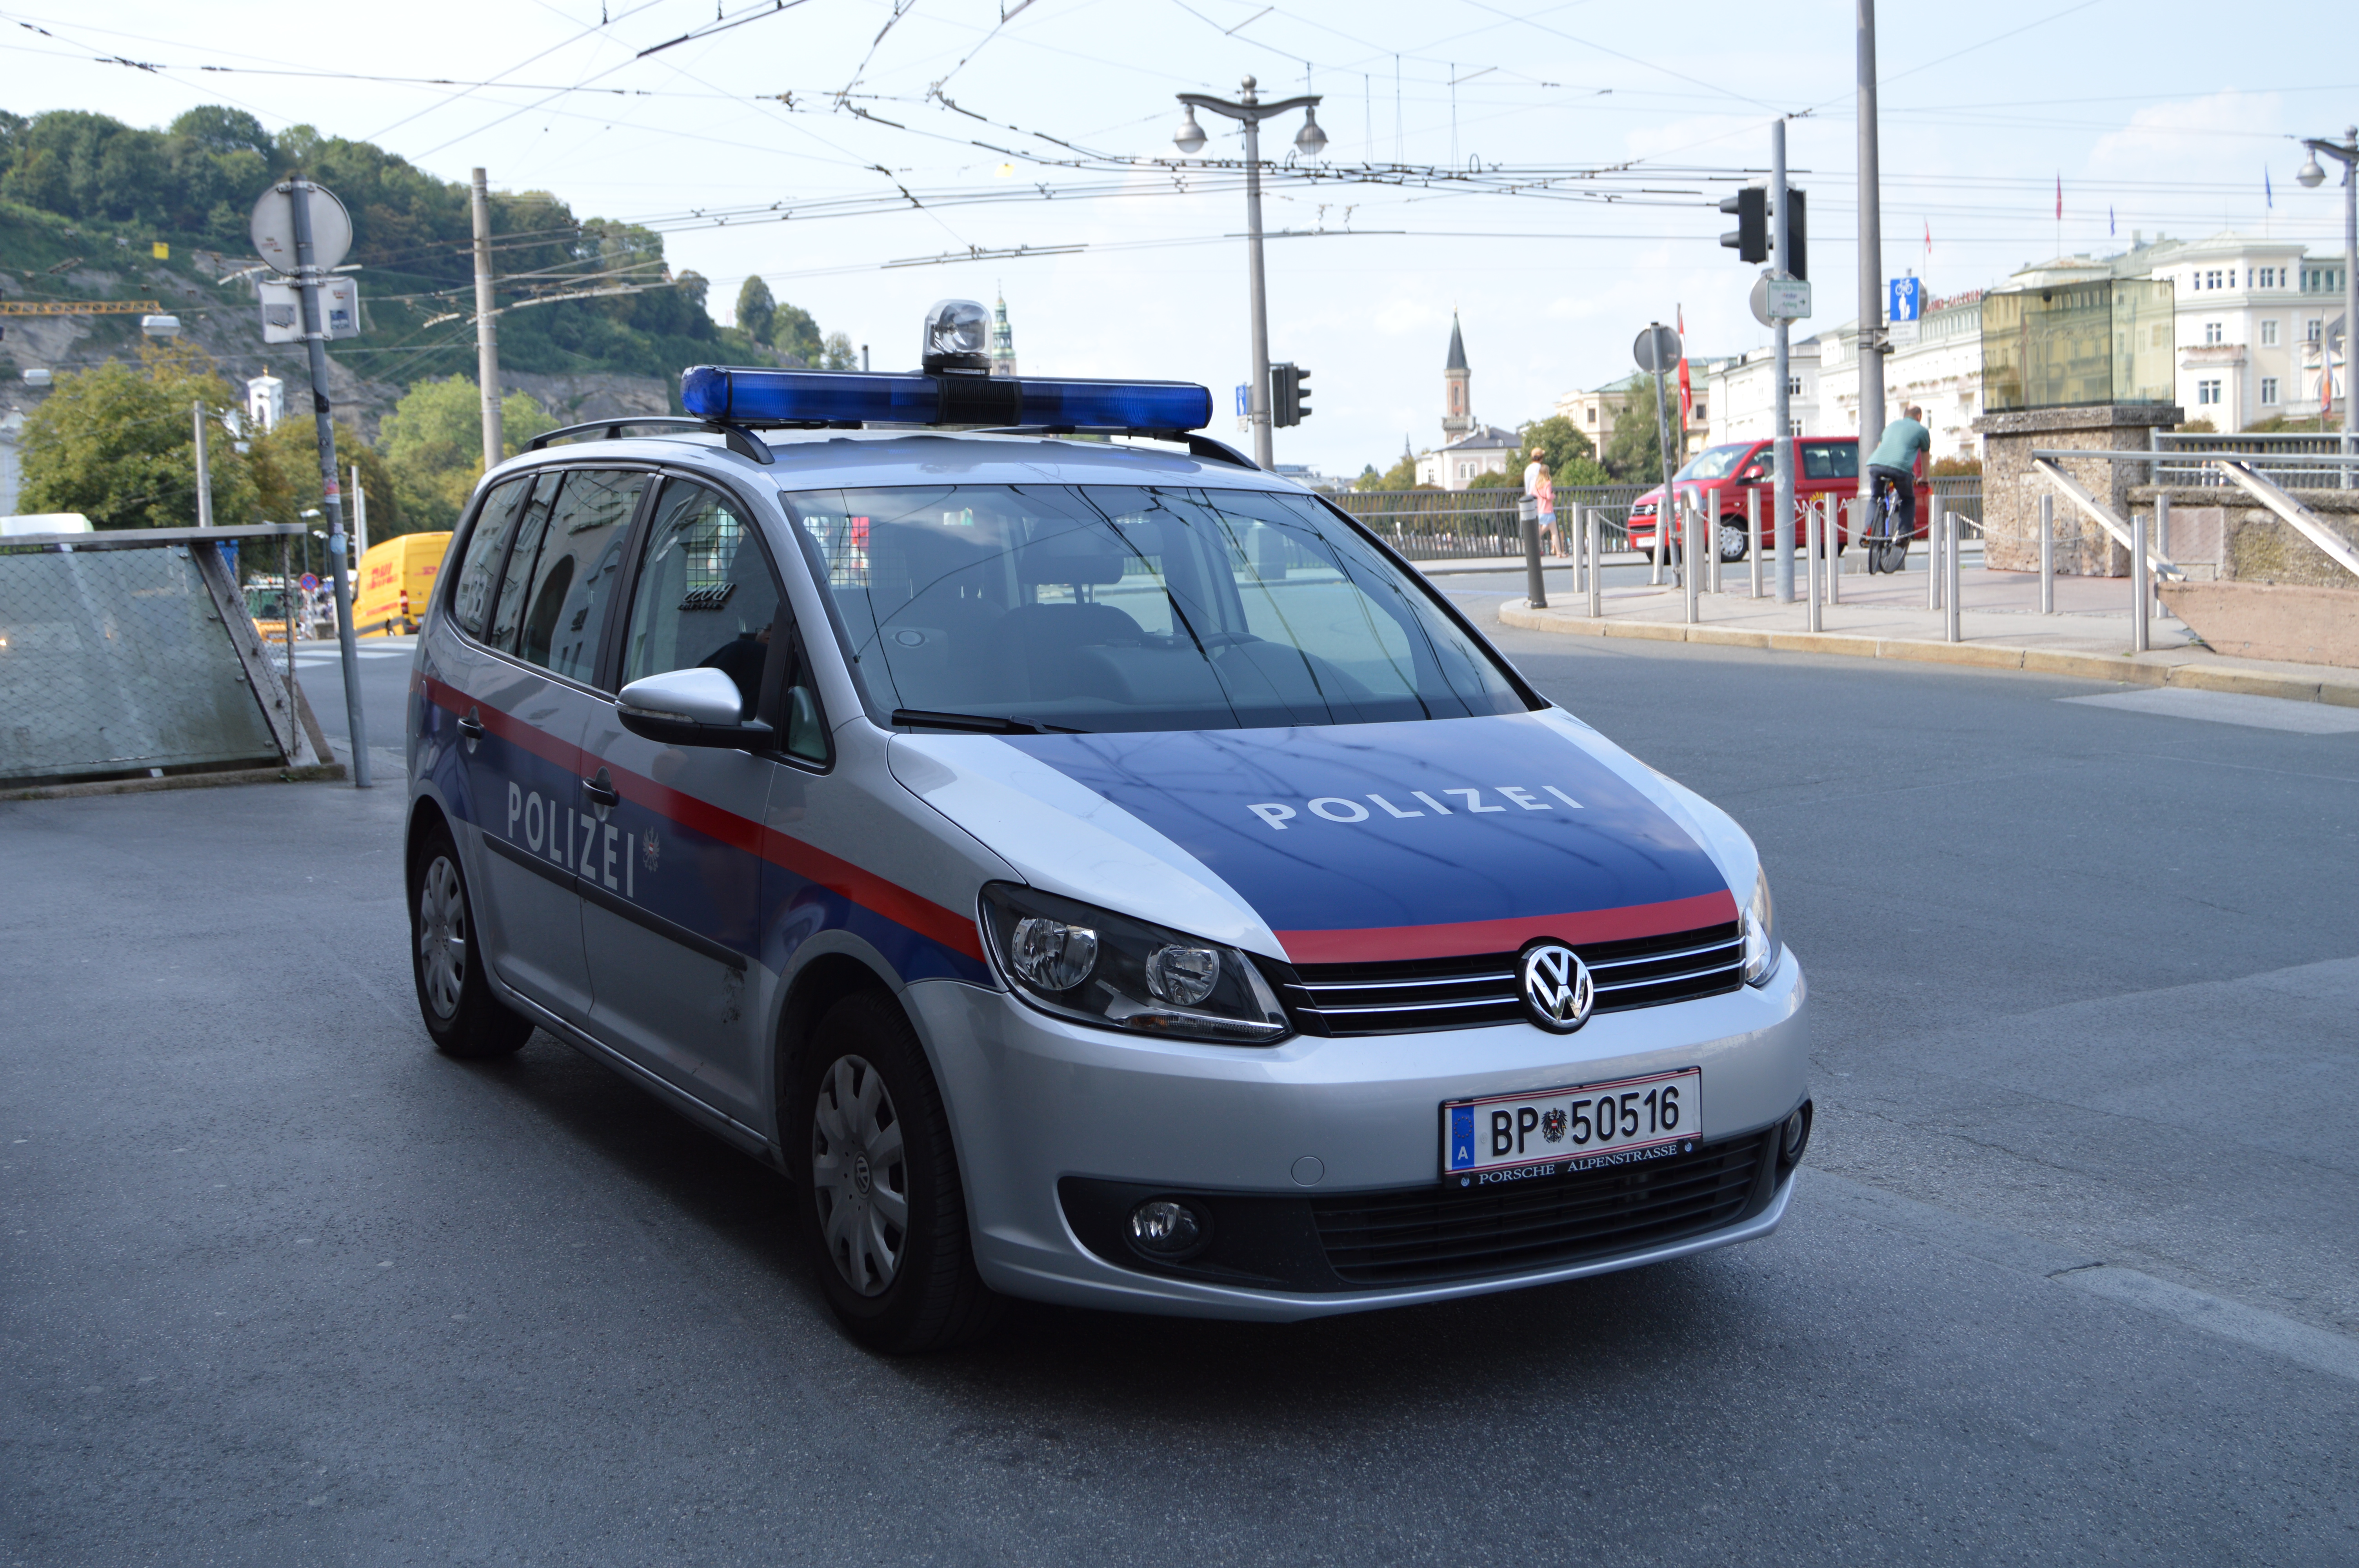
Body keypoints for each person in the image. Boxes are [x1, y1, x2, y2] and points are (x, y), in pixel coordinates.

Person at [1523, 446, 1559, 556]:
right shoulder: (1540, 469)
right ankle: (1533, 544)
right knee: (1547, 524)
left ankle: (1536, 549)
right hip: (1541, 502)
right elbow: (1542, 484)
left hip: (1529, 499)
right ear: (1542, 458)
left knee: (1538, 525)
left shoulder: (1528, 469)